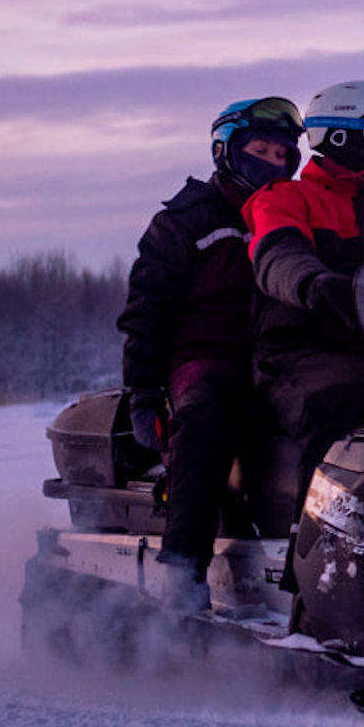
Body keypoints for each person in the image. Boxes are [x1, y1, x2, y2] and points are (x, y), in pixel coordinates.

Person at [117, 95, 304, 610]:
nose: (272, 162)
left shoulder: (296, 212)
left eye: (282, 154)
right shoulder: (185, 220)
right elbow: (146, 310)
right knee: (209, 416)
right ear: (226, 150)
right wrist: (143, 391)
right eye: (260, 150)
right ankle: (182, 575)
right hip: (206, 355)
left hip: (282, 354)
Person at [246, 80, 364, 496]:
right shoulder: (286, 199)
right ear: (340, 134)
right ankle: (317, 550)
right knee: (347, 401)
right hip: (304, 351)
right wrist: (316, 283)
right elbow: (277, 256)